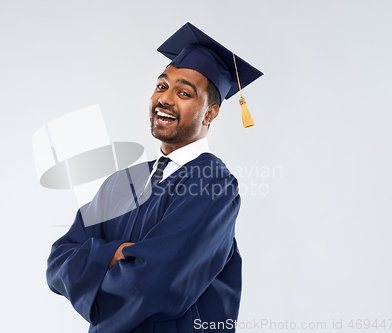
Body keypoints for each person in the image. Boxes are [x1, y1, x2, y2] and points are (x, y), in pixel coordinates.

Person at [46, 22, 262, 333]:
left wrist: (93, 267)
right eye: (162, 87)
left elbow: (158, 286)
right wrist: (120, 254)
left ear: (210, 113)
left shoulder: (213, 185)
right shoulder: (121, 182)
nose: (165, 99)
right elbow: (58, 261)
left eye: (184, 92)